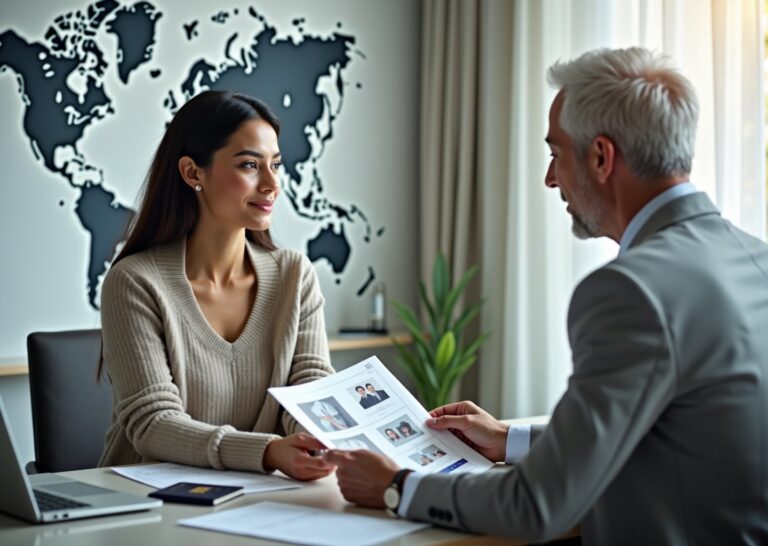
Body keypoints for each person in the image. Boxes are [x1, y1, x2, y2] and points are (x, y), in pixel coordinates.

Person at [324, 47, 768, 544]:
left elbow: (536, 506)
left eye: (556, 153)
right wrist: (507, 440)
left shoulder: (631, 290)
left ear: (601, 157)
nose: (550, 178)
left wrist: (395, 487)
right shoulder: (756, 258)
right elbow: (670, 431)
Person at [98, 90, 336, 482]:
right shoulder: (136, 282)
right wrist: (268, 451)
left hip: (257, 497)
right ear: (193, 173)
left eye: (276, 164)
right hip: (144, 501)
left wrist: (313, 438)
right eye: (249, 165)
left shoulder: (295, 276)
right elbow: (153, 424)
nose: (271, 184)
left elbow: (310, 389)